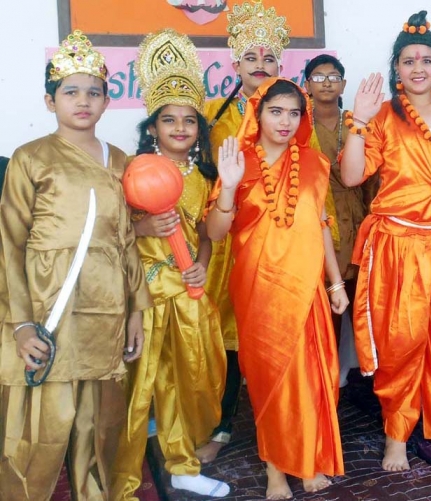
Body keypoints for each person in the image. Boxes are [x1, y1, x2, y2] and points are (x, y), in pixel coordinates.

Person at [0, 30, 151, 500]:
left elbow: (127, 240)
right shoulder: (30, 158)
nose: (83, 101)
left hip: (105, 309)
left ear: (107, 102)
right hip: (47, 306)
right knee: (40, 423)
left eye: (94, 92)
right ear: (50, 101)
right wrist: (21, 323)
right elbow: (10, 243)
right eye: (70, 92)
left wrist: (136, 309)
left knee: (97, 423)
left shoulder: (121, 161)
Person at [341, 10, 431, 471]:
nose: (418, 68)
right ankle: (396, 434)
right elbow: (351, 176)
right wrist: (358, 122)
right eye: (409, 61)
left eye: (426, 60)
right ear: (396, 68)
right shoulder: (384, 117)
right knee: (402, 343)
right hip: (400, 247)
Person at [208, 78, 347, 499]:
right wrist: (228, 186)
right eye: (275, 111)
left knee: (312, 375)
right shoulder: (238, 162)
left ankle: (308, 458)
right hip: (259, 289)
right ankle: (276, 470)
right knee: (269, 379)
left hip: (306, 286)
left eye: (293, 113)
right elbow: (215, 233)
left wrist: (336, 282)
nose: (285, 121)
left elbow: (321, 225)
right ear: (258, 113)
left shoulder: (314, 163)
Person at [110, 29, 229, 499]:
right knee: (139, 388)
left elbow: (204, 234)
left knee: (187, 380)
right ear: (152, 128)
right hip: (145, 293)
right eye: (168, 120)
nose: (180, 128)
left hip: (187, 291)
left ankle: (182, 465)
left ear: (199, 128)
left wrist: (201, 264)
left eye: (189, 120)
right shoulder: (132, 171)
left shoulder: (202, 177)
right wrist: (142, 228)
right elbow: (109, 230)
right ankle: (120, 477)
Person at [196, 0, 297, 464]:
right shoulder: (213, 114)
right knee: (227, 341)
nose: (260, 65)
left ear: (279, 66)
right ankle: (220, 427)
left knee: (281, 337)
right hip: (226, 244)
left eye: (269, 58)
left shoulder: (291, 114)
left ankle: (283, 427)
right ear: (235, 64)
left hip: (281, 246)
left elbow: (313, 182)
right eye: (251, 57)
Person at [304, 54, 378, 386]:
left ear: (344, 85)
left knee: (366, 311)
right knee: (326, 316)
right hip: (320, 231)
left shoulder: (358, 124)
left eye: (333, 77)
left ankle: (375, 383)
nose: (326, 83)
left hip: (358, 227)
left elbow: (373, 180)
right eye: (318, 77)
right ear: (307, 85)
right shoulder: (298, 126)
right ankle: (326, 386)